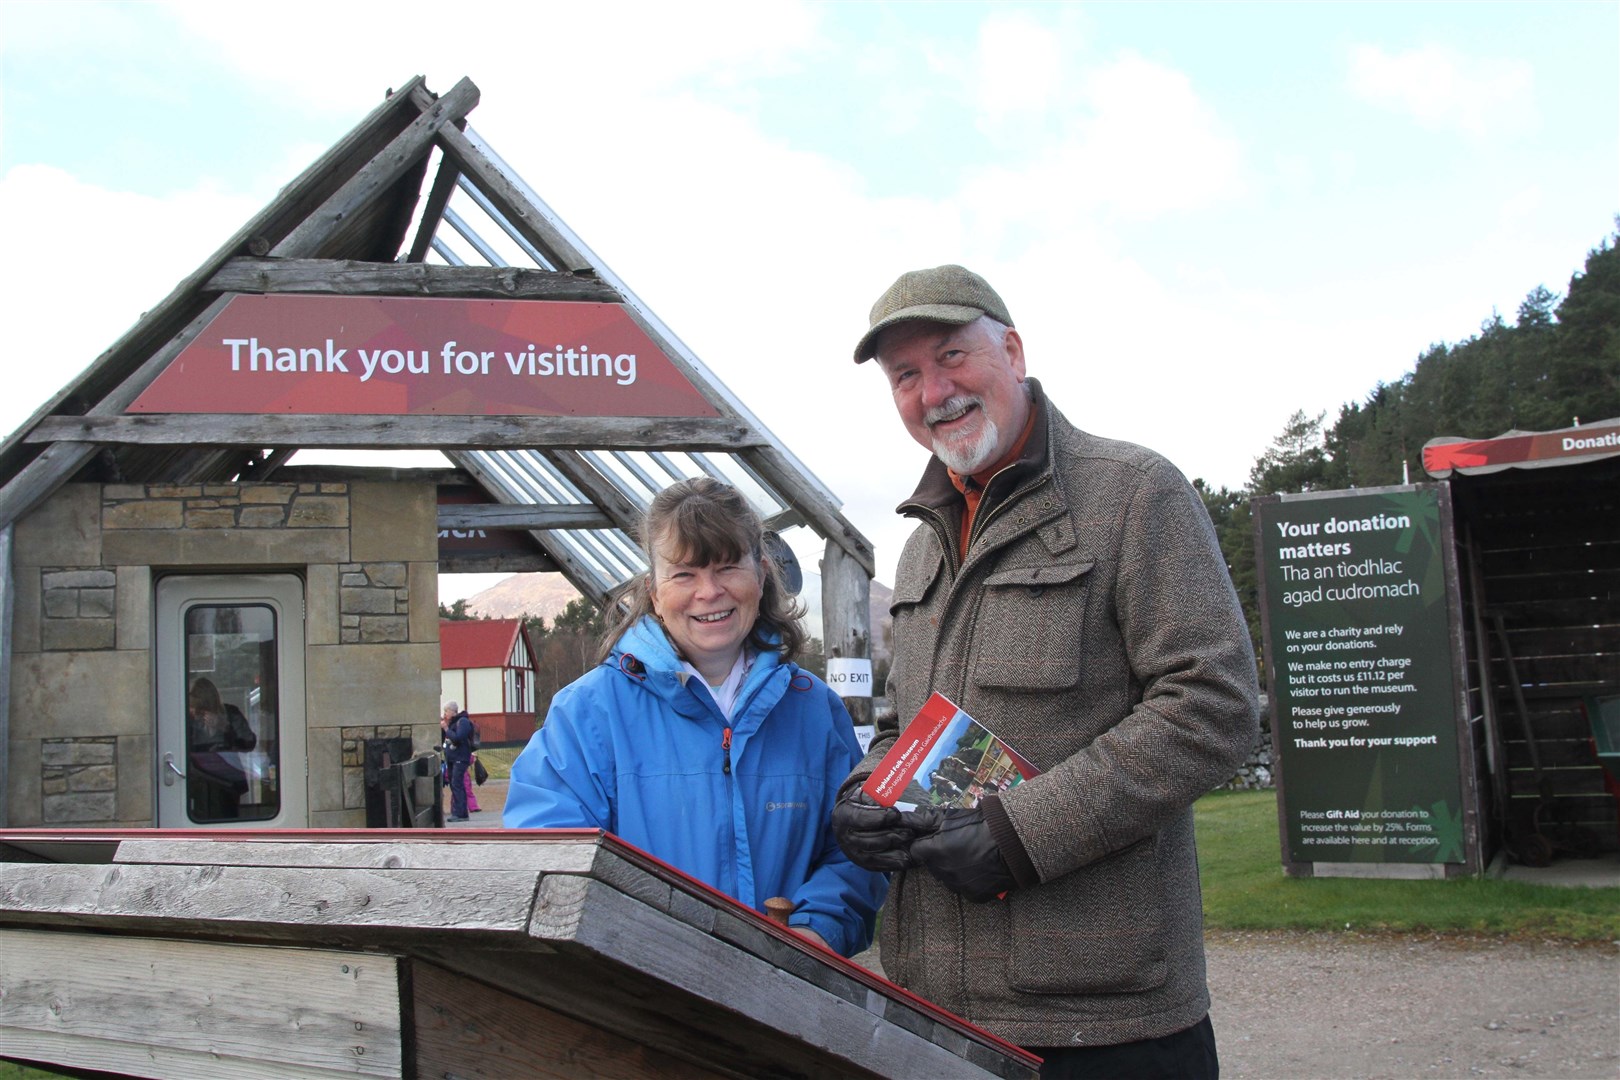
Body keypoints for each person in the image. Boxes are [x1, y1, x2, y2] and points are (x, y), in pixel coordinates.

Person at [831, 265, 1261, 1077]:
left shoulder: (1136, 495)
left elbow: (1214, 705)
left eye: (952, 355)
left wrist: (1021, 835)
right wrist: (865, 796)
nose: (935, 391)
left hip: (1103, 1026)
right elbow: (903, 725)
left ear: (1014, 351)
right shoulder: (921, 545)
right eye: (907, 376)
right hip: (936, 1014)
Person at [503, 477, 887, 957]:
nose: (709, 592)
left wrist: (815, 932)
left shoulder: (815, 711)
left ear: (762, 575)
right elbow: (548, 856)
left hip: (788, 999)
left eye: (727, 567)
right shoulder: (586, 715)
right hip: (641, 997)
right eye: (684, 574)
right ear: (654, 591)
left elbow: (854, 849)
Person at [187, 676, 257, 820]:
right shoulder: (186, 717)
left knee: (227, 815)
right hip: (198, 776)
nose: (194, 711)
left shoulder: (230, 713)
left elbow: (248, 742)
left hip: (226, 778)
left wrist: (224, 728)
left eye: (197, 707)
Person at [441, 701, 474, 821]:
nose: (445, 714)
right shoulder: (451, 723)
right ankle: (457, 811)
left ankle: (461, 813)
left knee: (457, 783)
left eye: (446, 711)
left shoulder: (463, 722)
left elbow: (458, 738)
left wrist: (446, 729)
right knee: (454, 784)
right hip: (451, 758)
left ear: (453, 711)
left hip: (460, 758)